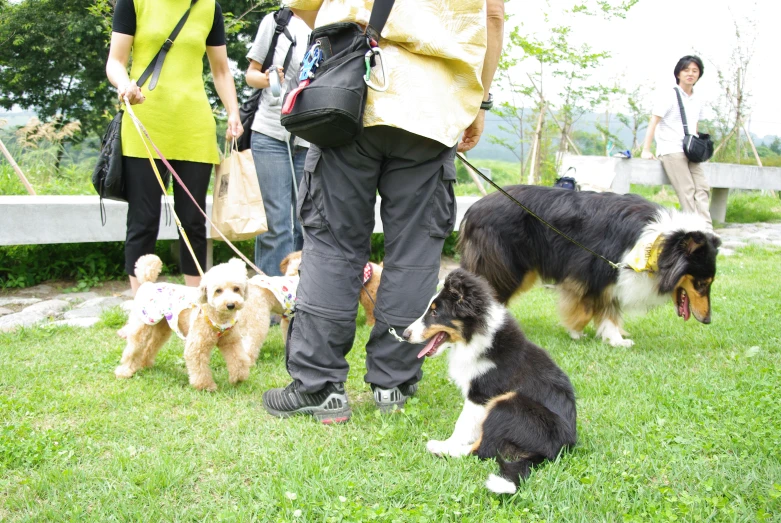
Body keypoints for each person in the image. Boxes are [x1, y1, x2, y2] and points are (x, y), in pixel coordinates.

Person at [262, 0, 505, 423]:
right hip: (434, 106)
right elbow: (493, 17)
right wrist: (478, 103)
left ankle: (318, 387)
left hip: (352, 93)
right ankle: (393, 383)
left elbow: (302, 5)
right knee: (414, 251)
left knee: (332, 242)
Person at [106, 0, 243, 304]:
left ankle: (198, 309)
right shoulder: (134, 2)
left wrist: (233, 111)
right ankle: (143, 310)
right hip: (145, 121)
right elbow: (115, 61)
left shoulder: (209, 7)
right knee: (143, 219)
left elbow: (221, 70)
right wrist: (124, 83)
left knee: (193, 220)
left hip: (194, 126)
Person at [245, 9, 312, 277]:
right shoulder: (277, 21)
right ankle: (271, 302)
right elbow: (251, 74)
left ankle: (302, 301)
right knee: (277, 224)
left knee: (306, 224)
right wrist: (268, 78)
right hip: (271, 134)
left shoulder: (335, 19)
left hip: (312, 139)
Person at [641, 55, 712, 228]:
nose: (690, 74)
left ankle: (706, 227)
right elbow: (653, 122)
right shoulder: (669, 95)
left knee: (702, 188)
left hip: (690, 150)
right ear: (678, 73)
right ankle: (693, 228)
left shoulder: (698, 99)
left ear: (699, 75)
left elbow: (694, 125)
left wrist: (697, 148)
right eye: (686, 70)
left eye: (695, 71)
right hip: (671, 148)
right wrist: (646, 149)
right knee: (686, 189)